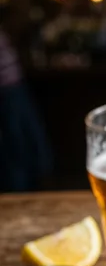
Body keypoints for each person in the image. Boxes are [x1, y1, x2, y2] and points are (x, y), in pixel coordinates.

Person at [0, 25, 52, 192]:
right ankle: (20, 192)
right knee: (17, 150)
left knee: (26, 146)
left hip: (14, 87)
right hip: (8, 92)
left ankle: (29, 190)